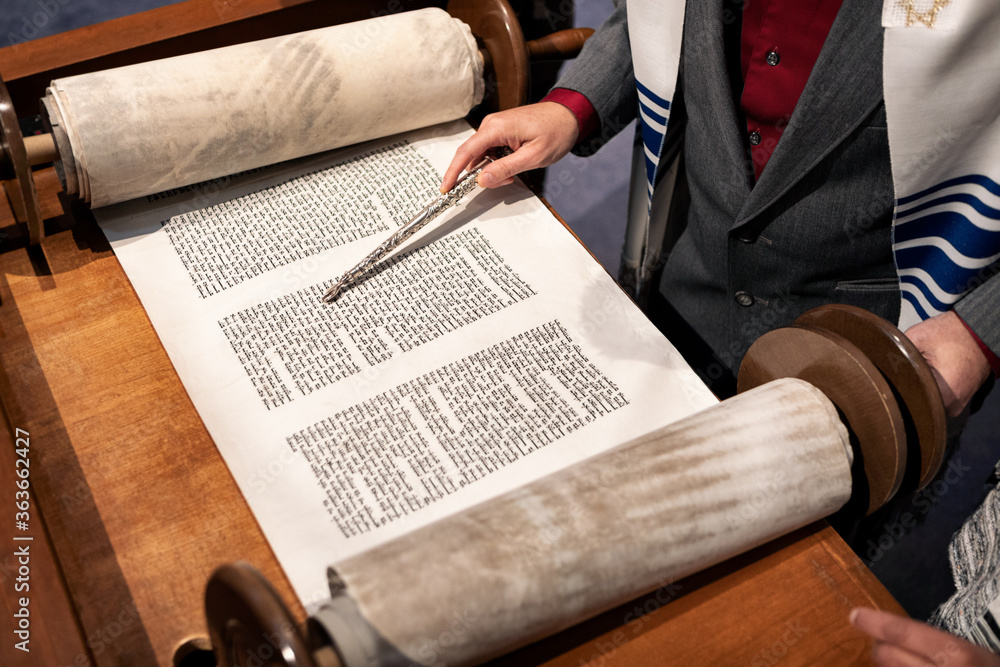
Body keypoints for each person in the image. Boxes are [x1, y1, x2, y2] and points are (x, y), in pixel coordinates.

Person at [441, 0, 1000, 657]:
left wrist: (982, 327)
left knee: (772, 600)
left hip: (877, 342)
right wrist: (576, 103)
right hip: (682, 282)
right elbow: (656, 18)